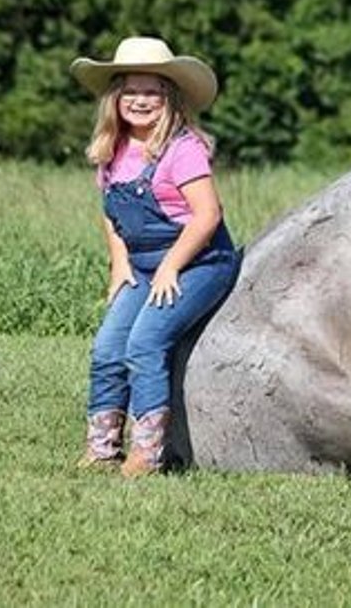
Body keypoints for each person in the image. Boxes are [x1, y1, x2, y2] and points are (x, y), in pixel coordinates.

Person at [70, 36, 241, 477]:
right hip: (143, 266)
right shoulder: (112, 151)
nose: (140, 100)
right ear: (115, 98)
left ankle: (148, 451)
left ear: (169, 98)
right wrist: (119, 264)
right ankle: (102, 446)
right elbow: (112, 215)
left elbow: (207, 216)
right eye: (131, 90)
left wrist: (171, 265)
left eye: (152, 91)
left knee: (145, 343)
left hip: (199, 261)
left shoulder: (182, 149)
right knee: (108, 348)